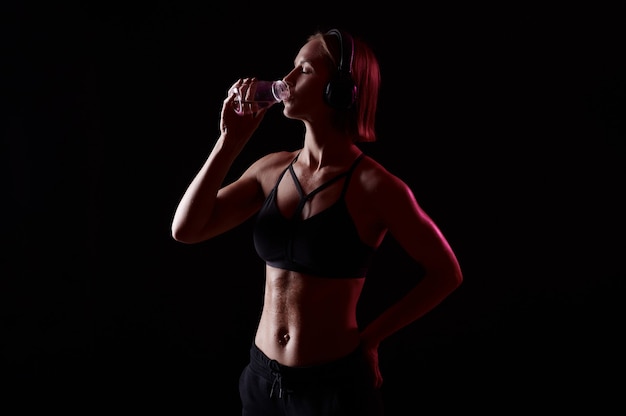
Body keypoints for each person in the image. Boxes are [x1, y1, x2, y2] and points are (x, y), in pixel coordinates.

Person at [171, 27, 463, 416]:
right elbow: (186, 229)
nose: (285, 81)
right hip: (261, 384)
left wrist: (372, 339)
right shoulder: (272, 169)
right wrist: (230, 143)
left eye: (304, 70)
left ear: (340, 90)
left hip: (333, 391)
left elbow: (447, 273)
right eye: (290, 69)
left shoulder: (376, 186)